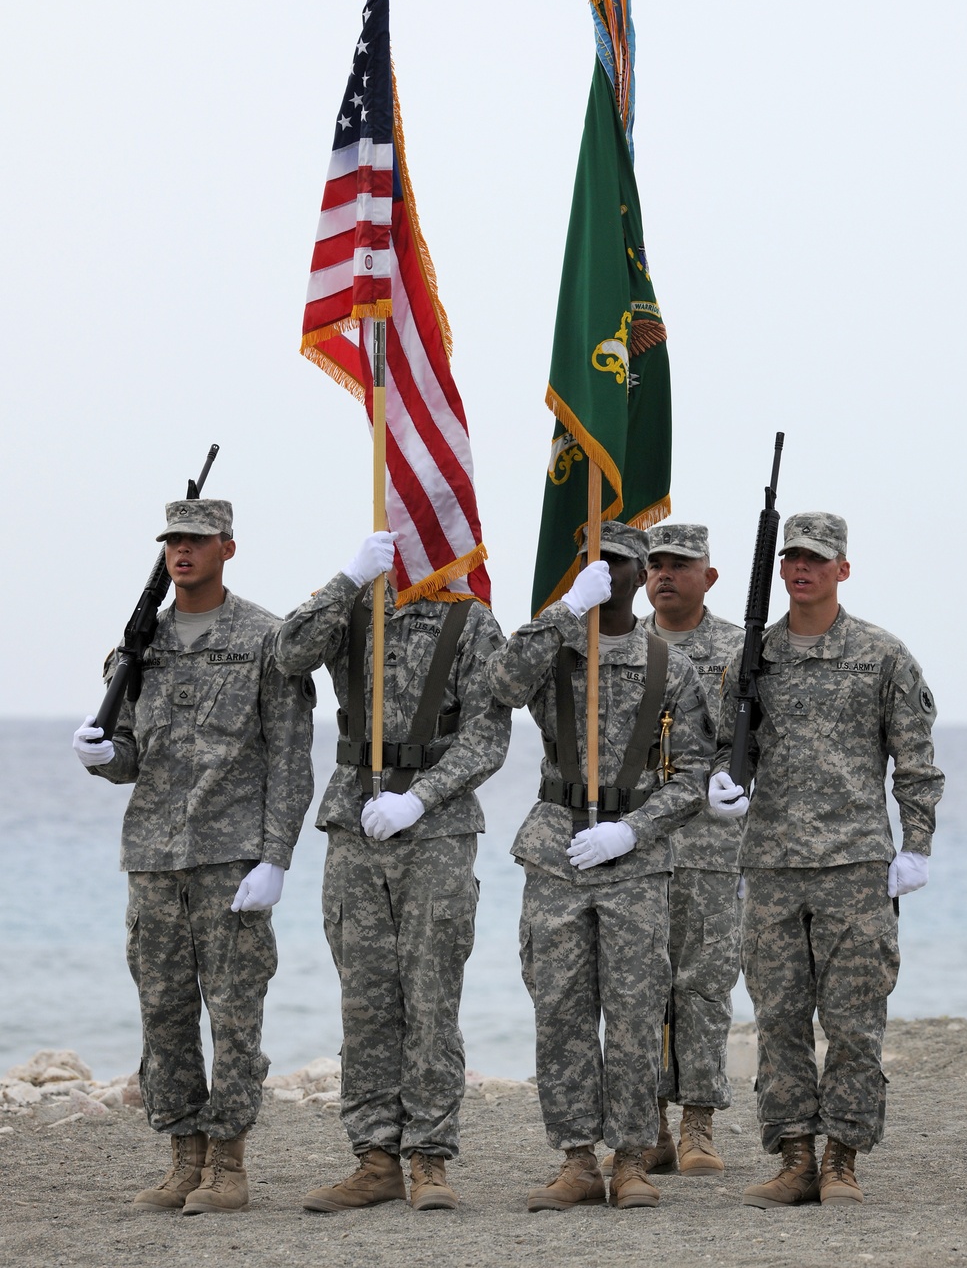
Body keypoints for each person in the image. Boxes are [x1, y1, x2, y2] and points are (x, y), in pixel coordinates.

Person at [72, 498, 315, 1215]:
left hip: (231, 859)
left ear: (227, 549)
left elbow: (291, 759)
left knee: (236, 1015)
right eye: (174, 540)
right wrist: (100, 755)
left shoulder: (267, 638)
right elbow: (131, 756)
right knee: (165, 1012)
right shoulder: (138, 647)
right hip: (152, 857)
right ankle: (184, 1158)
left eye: (198, 540)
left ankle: (230, 1165)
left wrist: (276, 858)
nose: (184, 551)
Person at [273, 531, 511, 1214]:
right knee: (366, 1002)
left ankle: (430, 1159)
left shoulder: (471, 620)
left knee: (432, 998)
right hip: (355, 822)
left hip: (435, 831)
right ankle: (374, 1158)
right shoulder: (351, 610)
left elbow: (488, 735)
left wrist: (421, 795)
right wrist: (346, 578)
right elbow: (289, 653)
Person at [712, 512, 943, 1208]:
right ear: (780, 569)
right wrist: (721, 785)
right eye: (792, 558)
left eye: (816, 558)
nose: (801, 568)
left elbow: (917, 763)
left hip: (854, 868)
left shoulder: (883, 655)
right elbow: (725, 745)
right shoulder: (754, 657)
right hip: (774, 867)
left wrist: (918, 844)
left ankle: (842, 1157)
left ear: (843, 568)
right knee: (777, 1018)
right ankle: (794, 1158)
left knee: (853, 1021)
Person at [485, 520, 715, 1212]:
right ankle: (578, 1158)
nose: (604, 570)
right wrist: (560, 610)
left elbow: (695, 773)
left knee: (637, 1012)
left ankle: (634, 1157)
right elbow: (500, 681)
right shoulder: (557, 652)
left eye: (617, 561)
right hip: (557, 846)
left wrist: (633, 830)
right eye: (592, 560)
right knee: (559, 1010)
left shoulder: (668, 665)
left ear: (640, 573)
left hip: (634, 858)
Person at [636, 522, 745, 1177]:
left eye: (680, 563)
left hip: (710, 840)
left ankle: (698, 1121)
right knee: (639, 981)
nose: (665, 574)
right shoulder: (622, 641)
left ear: (709, 574)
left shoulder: (740, 647)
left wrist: (750, 788)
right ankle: (650, 1121)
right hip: (638, 834)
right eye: (656, 564)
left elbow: (762, 734)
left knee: (703, 982)